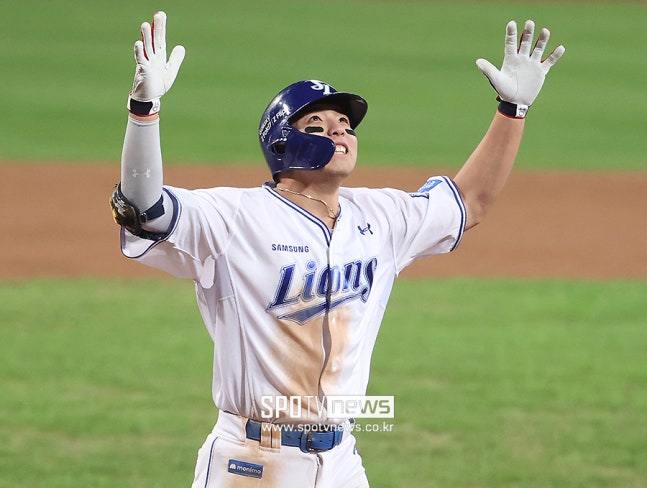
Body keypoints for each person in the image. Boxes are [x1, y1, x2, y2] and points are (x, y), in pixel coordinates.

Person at [110, 11, 564, 488]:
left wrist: (512, 110)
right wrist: (144, 111)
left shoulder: (382, 217)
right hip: (252, 459)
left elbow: (470, 202)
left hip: (341, 461)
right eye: (318, 124)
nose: (340, 132)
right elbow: (143, 207)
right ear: (282, 143)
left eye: (345, 124)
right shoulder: (233, 217)